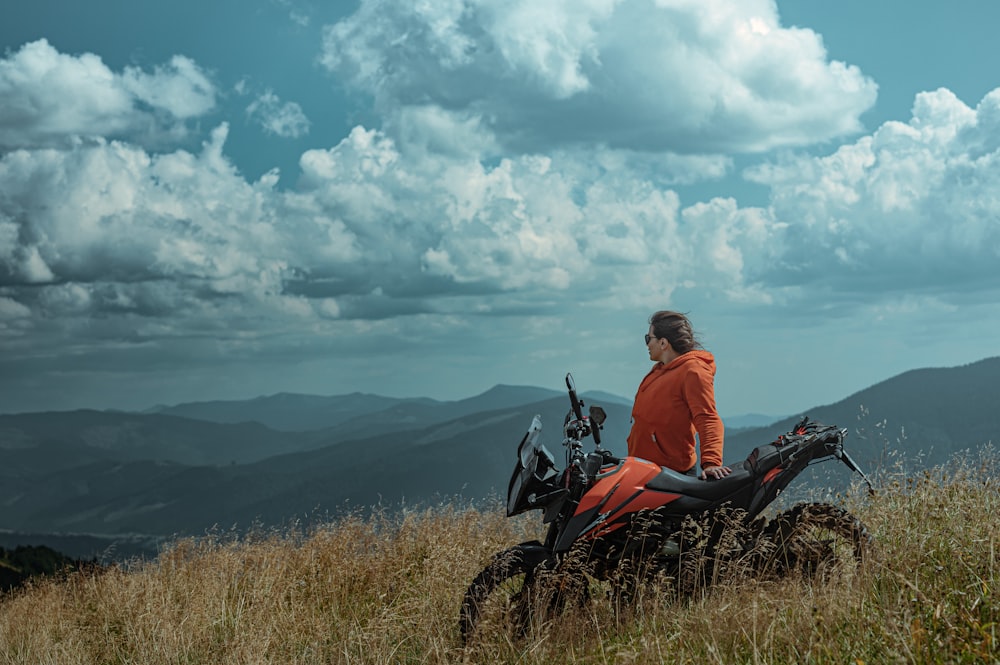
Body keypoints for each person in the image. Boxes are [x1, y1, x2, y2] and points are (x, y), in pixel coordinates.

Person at [627, 310, 732, 480]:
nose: (647, 344)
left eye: (648, 339)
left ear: (663, 343)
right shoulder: (660, 369)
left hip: (672, 474)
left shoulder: (693, 371)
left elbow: (707, 417)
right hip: (645, 469)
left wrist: (711, 462)